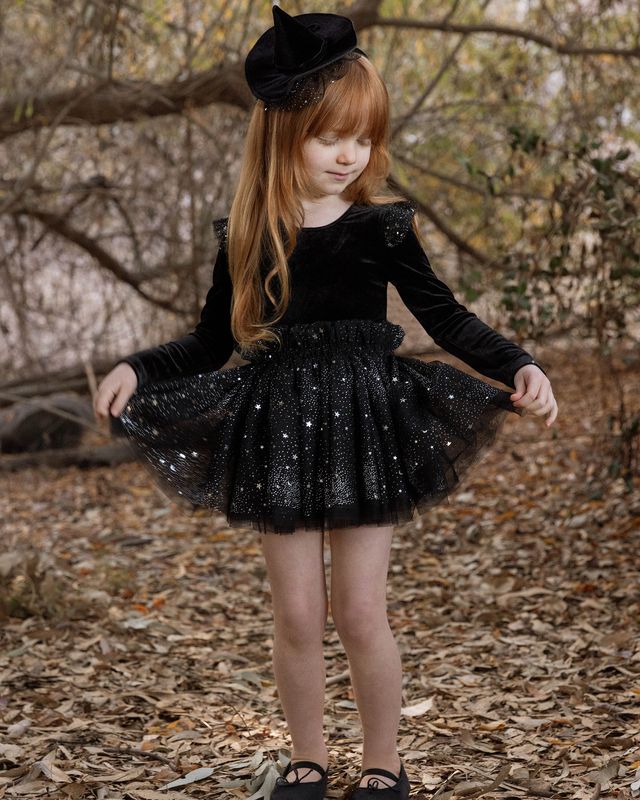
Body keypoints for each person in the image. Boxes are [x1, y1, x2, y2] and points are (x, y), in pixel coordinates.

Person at [93, 6, 558, 800]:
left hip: (367, 422)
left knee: (358, 612)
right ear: (284, 133)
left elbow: (442, 315)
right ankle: (307, 759)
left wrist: (516, 362)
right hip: (277, 428)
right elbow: (211, 341)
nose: (350, 155)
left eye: (364, 138)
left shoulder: (381, 228)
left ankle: (384, 765)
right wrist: (138, 368)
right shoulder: (248, 231)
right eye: (329, 136)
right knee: (299, 615)